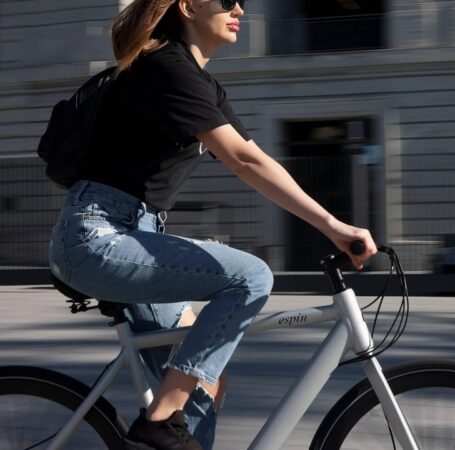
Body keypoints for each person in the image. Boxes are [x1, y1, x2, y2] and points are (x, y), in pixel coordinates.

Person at [47, 1, 377, 449]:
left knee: (204, 388)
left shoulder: (199, 83)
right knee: (251, 276)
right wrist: (334, 226)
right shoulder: (164, 67)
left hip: (132, 234)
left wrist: (331, 224)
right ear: (188, 6)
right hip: (98, 235)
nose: (239, 7)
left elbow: (257, 159)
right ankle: (159, 419)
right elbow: (243, 162)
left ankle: (166, 419)